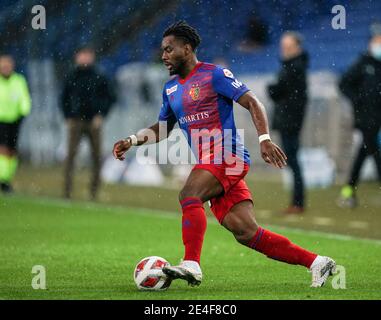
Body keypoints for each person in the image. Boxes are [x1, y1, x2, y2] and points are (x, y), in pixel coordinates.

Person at [113, 21, 336, 288]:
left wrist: (264, 139)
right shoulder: (170, 89)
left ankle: (191, 264)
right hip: (212, 163)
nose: (163, 56)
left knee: (189, 194)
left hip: (227, 155)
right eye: (162, 51)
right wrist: (132, 140)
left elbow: (253, 102)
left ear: (187, 48)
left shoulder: (214, 74)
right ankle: (317, 262)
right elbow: (163, 128)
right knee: (246, 232)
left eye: (169, 49)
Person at [61, 46, 115, 200]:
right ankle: (67, 191)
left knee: (97, 157)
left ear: (92, 57)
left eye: (87, 55)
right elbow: (63, 98)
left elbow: (110, 97)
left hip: (94, 122)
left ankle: (94, 192)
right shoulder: (71, 76)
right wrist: (68, 116)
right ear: (77, 57)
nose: (84, 58)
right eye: (82, 55)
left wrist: (101, 114)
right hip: (76, 120)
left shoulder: (99, 76)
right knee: (71, 156)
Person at [337, 30, 381, 208]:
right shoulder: (363, 63)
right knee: (375, 150)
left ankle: (348, 190)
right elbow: (344, 83)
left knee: (364, 151)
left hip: (378, 117)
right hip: (366, 118)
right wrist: (358, 100)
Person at [267, 31, 308, 214]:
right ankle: (297, 201)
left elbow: (278, 90)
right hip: (290, 120)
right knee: (292, 161)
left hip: (289, 121)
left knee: (293, 161)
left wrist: (272, 88)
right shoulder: (295, 66)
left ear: (297, 48)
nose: (284, 50)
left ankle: (298, 202)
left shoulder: (294, 67)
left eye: (288, 46)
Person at [0, 54, 31, 193]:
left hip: (14, 121)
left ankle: (7, 178)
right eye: (3, 64)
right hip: (1, 120)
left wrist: (23, 113)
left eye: (8, 64)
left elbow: (25, 99)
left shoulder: (19, 81)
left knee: (11, 151)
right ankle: (2, 179)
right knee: (3, 150)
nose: (5, 67)